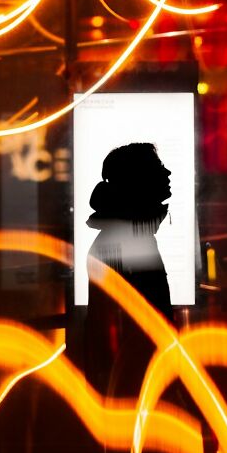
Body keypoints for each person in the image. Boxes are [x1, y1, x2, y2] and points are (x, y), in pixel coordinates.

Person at [83, 142, 173, 397]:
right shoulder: (125, 241)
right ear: (138, 180)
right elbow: (115, 331)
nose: (167, 174)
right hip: (137, 391)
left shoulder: (128, 235)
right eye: (158, 168)